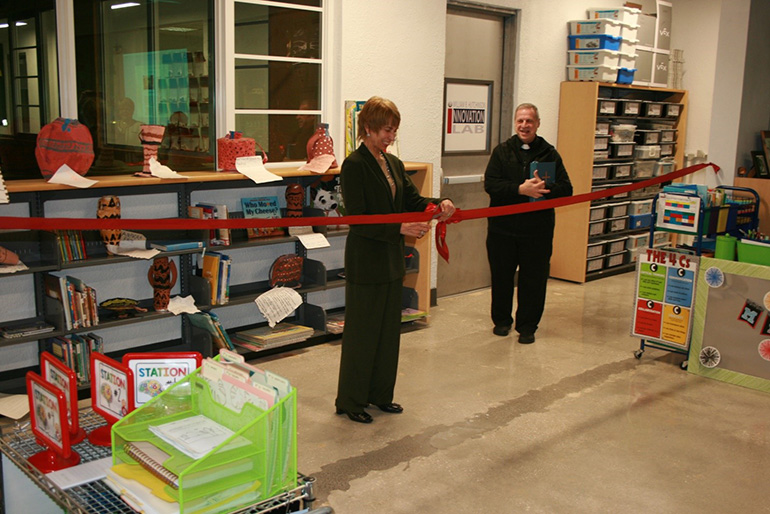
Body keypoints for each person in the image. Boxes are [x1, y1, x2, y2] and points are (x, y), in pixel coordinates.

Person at [335, 96, 456, 424]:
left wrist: (440, 201)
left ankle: (379, 395)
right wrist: (400, 226)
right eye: (386, 130)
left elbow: (413, 200)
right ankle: (351, 400)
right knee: (363, 333)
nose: (390, 136)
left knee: (388, 332)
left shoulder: (393, 164)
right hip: (366, 258)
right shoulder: (355, 165)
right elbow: (358, 218)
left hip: (390, 258)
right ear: (369, 128)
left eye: (394, 131)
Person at [484, 103, 572, 344]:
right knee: (501, 277)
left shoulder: (549, 153)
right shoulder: (502, 152)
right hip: (502, 229)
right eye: (520, 121)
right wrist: (519, 189)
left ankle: (527, 326)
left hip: (537, 231)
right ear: (515, 123)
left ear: (537, 124)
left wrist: (545, 189)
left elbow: (567, 189)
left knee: (533, 280)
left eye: (529, 121)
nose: (524, 125)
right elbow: (491, 185)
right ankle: (501, 321)